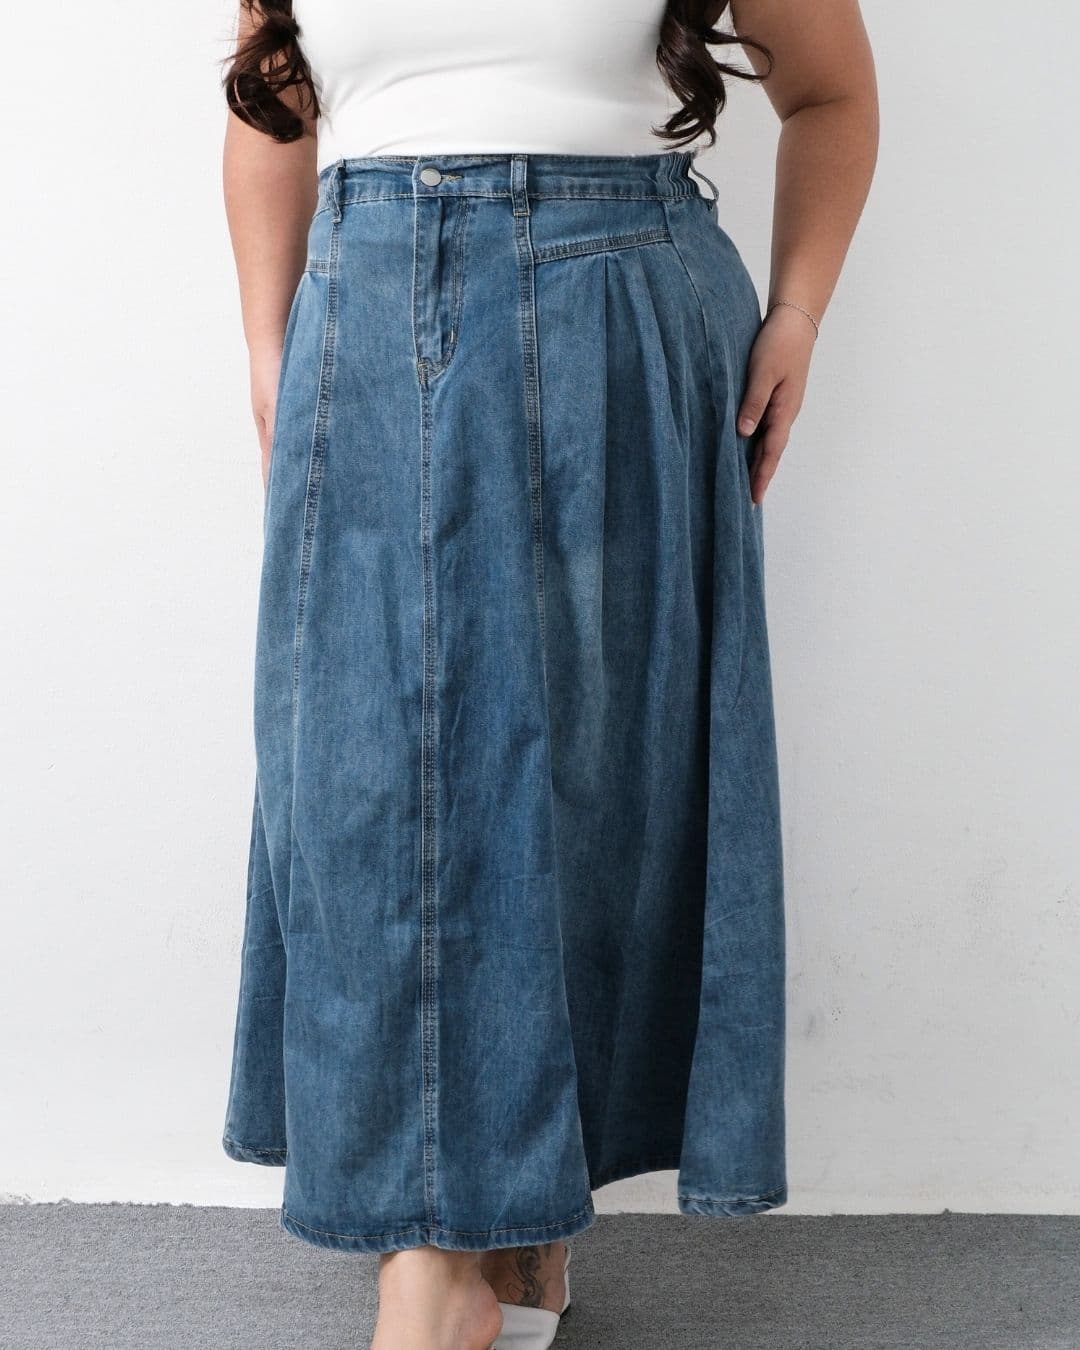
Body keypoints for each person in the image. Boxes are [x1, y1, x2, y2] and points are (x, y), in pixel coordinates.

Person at [218, 2, 878, 1346]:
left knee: (589, 776)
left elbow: (833, 95)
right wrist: (267, 343)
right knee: (364, 780)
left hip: (618, 303)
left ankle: (492, 1244)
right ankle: (451, 1254)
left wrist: (799, 315)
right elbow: (272, 105)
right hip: (365, 297)